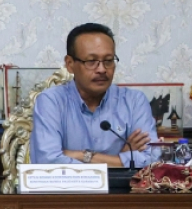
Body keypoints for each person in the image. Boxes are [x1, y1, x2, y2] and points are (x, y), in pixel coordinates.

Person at [29, 22, 158, 168]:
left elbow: (152, 159)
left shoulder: (134, 101)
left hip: (121, 190)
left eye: (108, 61)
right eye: (91, 61)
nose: (102, 69)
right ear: (70, 64)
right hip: (68, 190)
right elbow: (48, 162)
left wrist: (82, 156)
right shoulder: (51, 102)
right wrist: (121, 160)